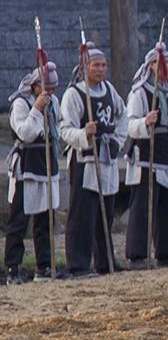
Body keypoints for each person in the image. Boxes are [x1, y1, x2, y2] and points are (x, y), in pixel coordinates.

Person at [59, 44, 125, 276]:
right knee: (82, 216)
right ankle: (78, 264)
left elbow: (122, 114)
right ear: (85, 67)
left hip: (106, 157)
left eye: (103, 65)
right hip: (84, 161)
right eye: (96, 65)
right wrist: (84, 133)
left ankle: (105, 261)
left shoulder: (109, 90)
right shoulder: (74, 94)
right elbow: (64, 130)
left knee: (104, 214)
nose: (101, 69)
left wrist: (118, 139)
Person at [123, 36, 168, 266]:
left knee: (167, 207)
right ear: (151, 66)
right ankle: (137, 255)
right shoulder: (140, 92)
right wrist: (145, 121)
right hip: (146, 157)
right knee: (143, 208)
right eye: (163, 63)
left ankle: (166, 252)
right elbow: (128, 125)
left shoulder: (167, 92)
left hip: (167, 154)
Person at [5, 54, 63, 283]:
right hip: (26, 166)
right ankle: (12, 267)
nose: (50, 93)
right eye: (47, 88)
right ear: (35, 85)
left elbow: (55, 129)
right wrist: (37, 109)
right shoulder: (21, 103)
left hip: (47, 163)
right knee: (19, 220)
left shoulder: (54, 102)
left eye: (53, 89)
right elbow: (25, 133)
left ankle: (44, 266)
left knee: (45, 218)